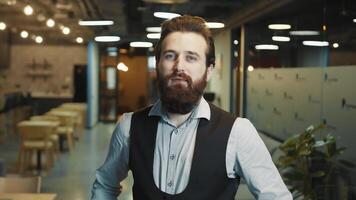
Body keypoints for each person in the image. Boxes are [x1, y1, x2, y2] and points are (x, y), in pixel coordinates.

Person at [91, 15, 292, 200]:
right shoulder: (129, 127)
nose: (179, 67)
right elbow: (105, 185)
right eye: (170, 56)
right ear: (158, 63)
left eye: (191, 57)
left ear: (209, 70)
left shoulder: (238, 132)